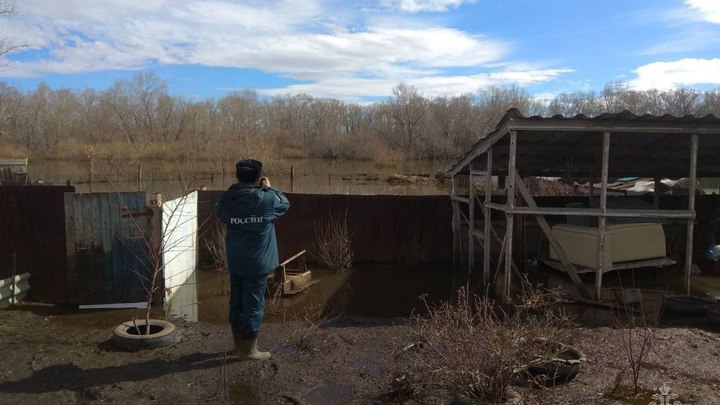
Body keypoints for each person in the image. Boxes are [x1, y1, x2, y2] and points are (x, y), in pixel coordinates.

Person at [214, 159, 290, 360]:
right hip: (257, 263)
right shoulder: (266, 199)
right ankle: (249, 351)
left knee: (236, 301)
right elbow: (285, 204)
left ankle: (237, 346)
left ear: (237, 176)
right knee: (254, 304)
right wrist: (271, 188)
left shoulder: (227, 198)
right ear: (258, 178)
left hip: (236, 260)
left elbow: (219, 213)